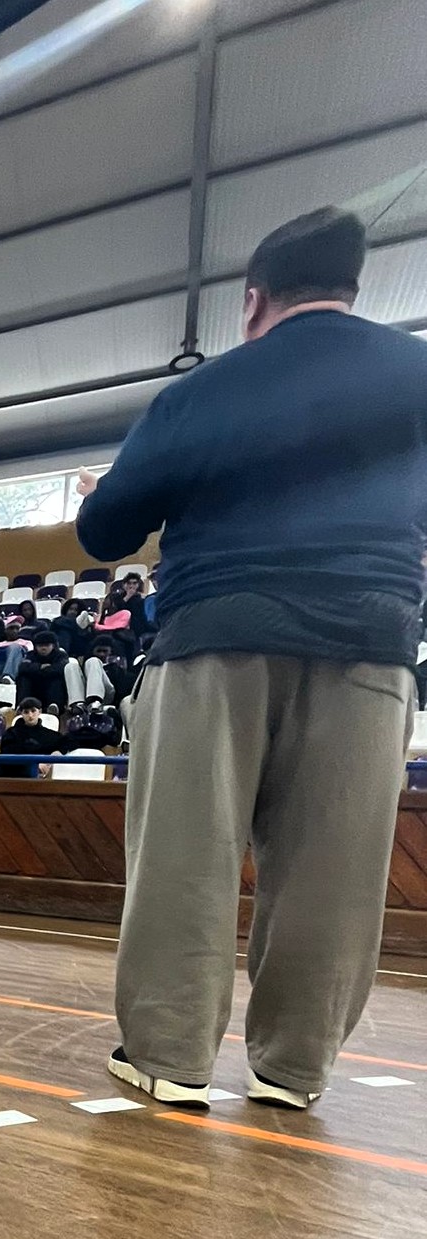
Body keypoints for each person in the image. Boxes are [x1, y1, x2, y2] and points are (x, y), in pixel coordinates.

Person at [75, 206, 427, 1110]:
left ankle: (168, 1055)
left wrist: (97, 490)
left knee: (185, 858)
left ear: (253, 300)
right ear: (354, 288)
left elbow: (106, 531)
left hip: (215, 637)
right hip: (370, 641)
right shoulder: (418, 374)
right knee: (334, 872)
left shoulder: (203, 391)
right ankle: (292, 1068)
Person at [0, 699, 63, 778]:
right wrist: (34, 765)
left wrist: (56, 753)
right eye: (26, 712)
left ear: (39, 712)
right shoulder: (11, 733)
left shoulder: (50, 735)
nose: (30, 715)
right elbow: (8, 754)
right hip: (14, 773)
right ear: (21, 714)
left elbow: (64, 743)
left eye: (33, 711)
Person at [16, 630, 70, 710]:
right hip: (35, 688)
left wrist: (37, 671)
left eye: (47, 645)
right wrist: (40, 667)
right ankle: (22, 707)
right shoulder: (31, 655)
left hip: (53, 688)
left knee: (57, 679)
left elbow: (60, 669)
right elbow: (22, 668)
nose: (43, 648)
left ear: (53, 645)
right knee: (23, 678)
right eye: (40, 645)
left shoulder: (61, 655)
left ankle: (55, 706)